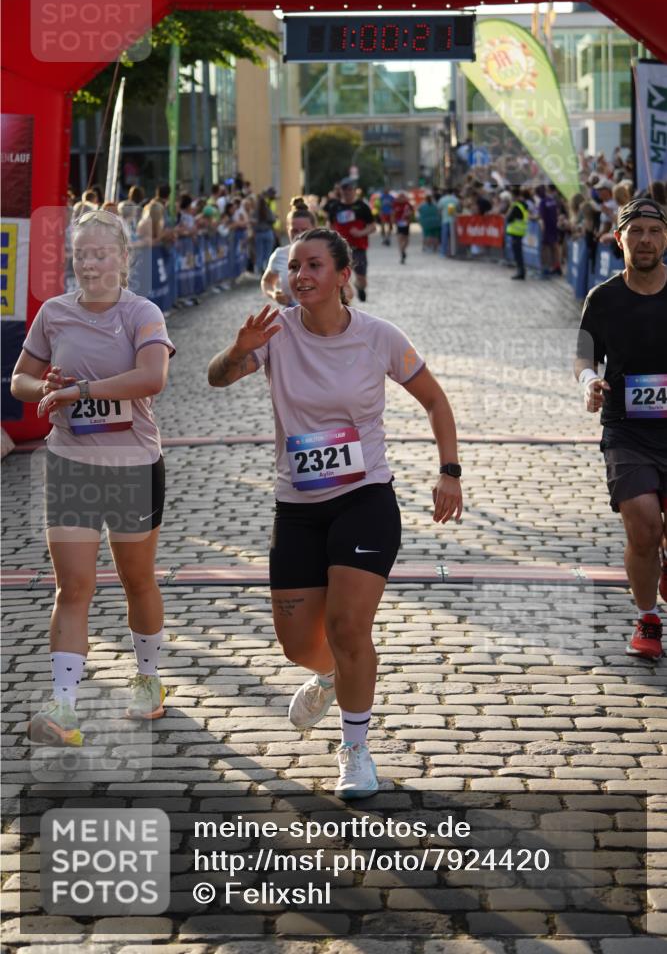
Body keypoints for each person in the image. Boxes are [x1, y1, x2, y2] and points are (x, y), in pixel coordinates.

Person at [207, 228, 463, 798]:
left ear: (343, 275)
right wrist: (239, 349)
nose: (301, 276)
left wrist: (450, 472)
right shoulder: (274, 334)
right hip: (296, 505)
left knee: (349, 627)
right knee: (297, 642)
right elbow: (216, 378)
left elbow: (435, 400)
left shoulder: (379, 337)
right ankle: (331, 674)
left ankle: (355, 748)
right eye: (294, 266)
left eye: (314, 265)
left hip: (364, 497)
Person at [10, 210, 175, 745]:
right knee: (72, 586)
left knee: (137, 580)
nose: (90, 262)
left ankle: (148, 680)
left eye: (101, 253)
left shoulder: (142, 312)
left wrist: (82, 391)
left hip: (132, 465)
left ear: (125, 259)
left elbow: (153, 377)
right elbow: (20, 380)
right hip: (70, 463)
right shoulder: (54, 313)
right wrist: (46, 389)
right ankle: (64, 706)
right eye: (81, 253)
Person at [574, 198, 667, 661]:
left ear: (665, 238)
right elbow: (583, 356)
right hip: (627, 430)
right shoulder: (603, 298)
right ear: (619, 239)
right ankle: (648, 619)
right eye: (636, 232)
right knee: (644, 526)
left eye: (653, 230)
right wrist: (590, 382)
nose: (645, 239)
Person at [261, 197, 316, 307]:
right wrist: (274, 294)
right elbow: (266, 282)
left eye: (304, 230)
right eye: (294, 230)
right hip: (291, 317)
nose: (299, 235)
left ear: (314, 229)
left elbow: (347, 291)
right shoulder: (280, 254)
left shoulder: (327, 253)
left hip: (322, 318)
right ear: (287, 230)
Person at [328, 177, 375, 302]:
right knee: (340, 276)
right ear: (340, 191)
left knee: (362, 279)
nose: (347, 191)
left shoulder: (362, 207)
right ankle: (344, 301)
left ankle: (360, 288)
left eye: (349, 189)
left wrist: (361, 232)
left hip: (358, 248)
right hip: (340, 248)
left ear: (355, 190)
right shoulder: (335, 207)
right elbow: (330, 226)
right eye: (344, 189)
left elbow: (372, 227)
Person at [505, 187, 529, 280]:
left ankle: (520, 272)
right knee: (519, 253)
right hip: (521, 231)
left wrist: (509, 210)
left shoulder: (516, 206)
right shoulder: (523, 204)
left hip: (516, 232)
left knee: (517, 254)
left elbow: (509, 218)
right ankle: (521, 271)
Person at [393, 192, 414, 264]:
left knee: (407, 240)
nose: (401, 198)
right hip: (399, 224)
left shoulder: (407, 204)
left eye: (403, 197)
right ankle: (402, 255)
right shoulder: (395, 204)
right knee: (400, 239)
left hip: (406, 224)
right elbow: (393, 213)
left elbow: (412, 212)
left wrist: (409, 216)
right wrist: (393, 221)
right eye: (400, 197)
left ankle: (403, 250)